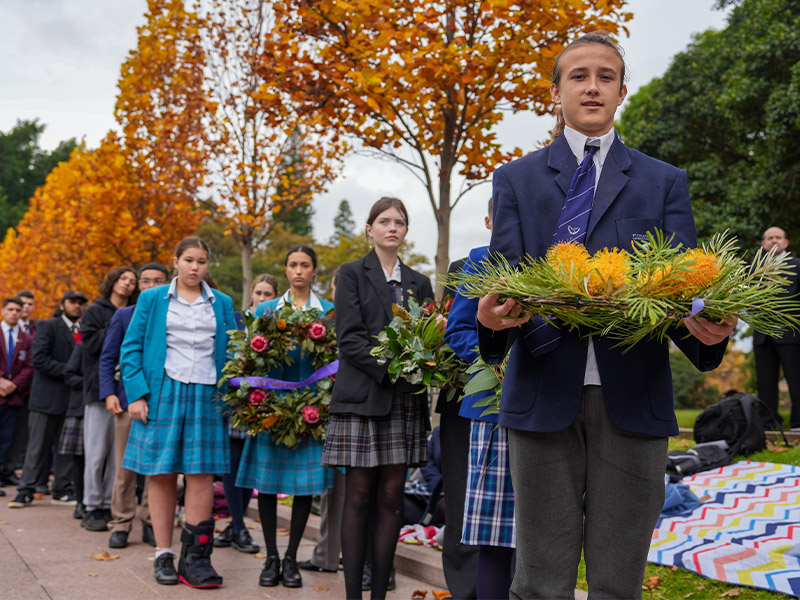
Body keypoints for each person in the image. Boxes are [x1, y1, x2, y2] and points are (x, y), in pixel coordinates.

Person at [475, 31, 736, 599]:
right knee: (540, 582)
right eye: (579, 76)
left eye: (606, 76)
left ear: (622, 91)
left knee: (618, 583)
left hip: (634, 397)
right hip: (542, 394)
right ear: (556, 91)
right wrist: (490, 324)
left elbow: (684, 287)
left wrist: (709, 334)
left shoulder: (663, 181)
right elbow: (504, 284)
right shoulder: (515, 180)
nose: (592, 87)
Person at [322, 197, 434, 599]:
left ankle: (380, 595)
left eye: (400, 222)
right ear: (369, 229)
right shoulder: (351, 274)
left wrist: (419, 367)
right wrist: (394, 371)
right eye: (384, 221)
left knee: (391, 499)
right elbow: (349, 338)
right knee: (358, 497)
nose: (392, 227)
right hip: (362, 398)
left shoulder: (419, 283)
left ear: (405, 231)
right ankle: (354, 593)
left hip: (404, 403)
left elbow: (427, 337)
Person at [121, 237, 235, 588]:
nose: (195, 267)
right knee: (161, 473)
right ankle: (163, 554)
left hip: (207, 393)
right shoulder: (153, 298)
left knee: (201, 475)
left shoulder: (222, 303)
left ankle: (196, 556)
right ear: (176, 262)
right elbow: (132, 348)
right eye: (188, 260)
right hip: (162, 390)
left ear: (207, 265)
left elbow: (234, 349)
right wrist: (137, 394)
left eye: (201, 261)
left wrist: (234, 391)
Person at [237, 245, 334, 588]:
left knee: (304, 489)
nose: (298, 271)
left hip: (312, 409)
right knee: (267, 485)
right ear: (285, 269)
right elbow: (248, 358)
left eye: (304, 265)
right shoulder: (265, 310)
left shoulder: (329, 312)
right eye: (292, 264)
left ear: (313, 271)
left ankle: (291, 558)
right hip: (271, 409)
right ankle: (271, 558)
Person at [445, 199, 515, 600]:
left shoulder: (557, 257)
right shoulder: (479, 261)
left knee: (539, 536)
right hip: (493, 408)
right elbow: (458, 333)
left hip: (552, 410)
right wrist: (501, 363)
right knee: (494, 534)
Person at [101, 262, 170, 549]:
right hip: (128, 401)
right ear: (139, 285)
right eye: (146, 281)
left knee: (159, 469)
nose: (151, 286)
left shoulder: (176, 315)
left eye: (158, 281)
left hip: (166, 402)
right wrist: (109, 393)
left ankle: (153, 522)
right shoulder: (124, 315)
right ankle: (121, 522)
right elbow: (108, 357)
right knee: (124, 468)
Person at [215, 274, 279, 554]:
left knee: (249, 466)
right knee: (232, 462)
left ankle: (234, 525)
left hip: (266, 402)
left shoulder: (279, 325)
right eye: (259, 293)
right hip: (237, 400)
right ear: (251, 293)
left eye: (268, 294)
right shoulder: (237, 320)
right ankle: (239, 527)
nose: (263, 299)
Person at [8, 290, 87, 508]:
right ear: (62, 305)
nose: (77, 306)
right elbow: (40, 359)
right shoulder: (47, 326)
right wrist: (70, 372)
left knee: (65, 448)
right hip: (45, 398)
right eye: (72, 302)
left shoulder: (83, 330)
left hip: (71, 400)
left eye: (81, 303)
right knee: (37, 446)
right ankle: (25, 491)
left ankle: (61, 489)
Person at [80, 267, 138, 532]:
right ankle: (91, 505)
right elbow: (90, 347)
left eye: (132, 281)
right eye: (123, 279)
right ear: (112, 282)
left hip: (127, 394)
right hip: (98, 391)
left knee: (118, 458)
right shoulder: (94, 311)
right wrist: (117, 324)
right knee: (96, 454)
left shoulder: (139, 311)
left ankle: (109, 505)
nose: (127, 284)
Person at [298, 267, 345, 576]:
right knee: (329, 488)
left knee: (344, 488)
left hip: (349, 411)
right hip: (317, 411)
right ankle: (326, 555)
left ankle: (342, 555)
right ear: (331, 289)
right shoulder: (322, 324)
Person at [753, 226, 800, 430]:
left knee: (796, 380)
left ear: (785, 242)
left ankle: (798, 423)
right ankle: (769, 425)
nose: (774, 241)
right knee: (765, 383)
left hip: (791, 335)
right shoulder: (754, 269)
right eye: (770, 238)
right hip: (762, 336)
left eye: (778, 237)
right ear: (763, 244)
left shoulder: (798, 265)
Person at [0, 297, 34, 498]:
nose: (14, 313)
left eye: (17, 310)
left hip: (14, 396)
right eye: (10, 309)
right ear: (3, 310)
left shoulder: (26, 338)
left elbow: (30, 366)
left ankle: (4, 472)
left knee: (8, 438)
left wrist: (13, 385)